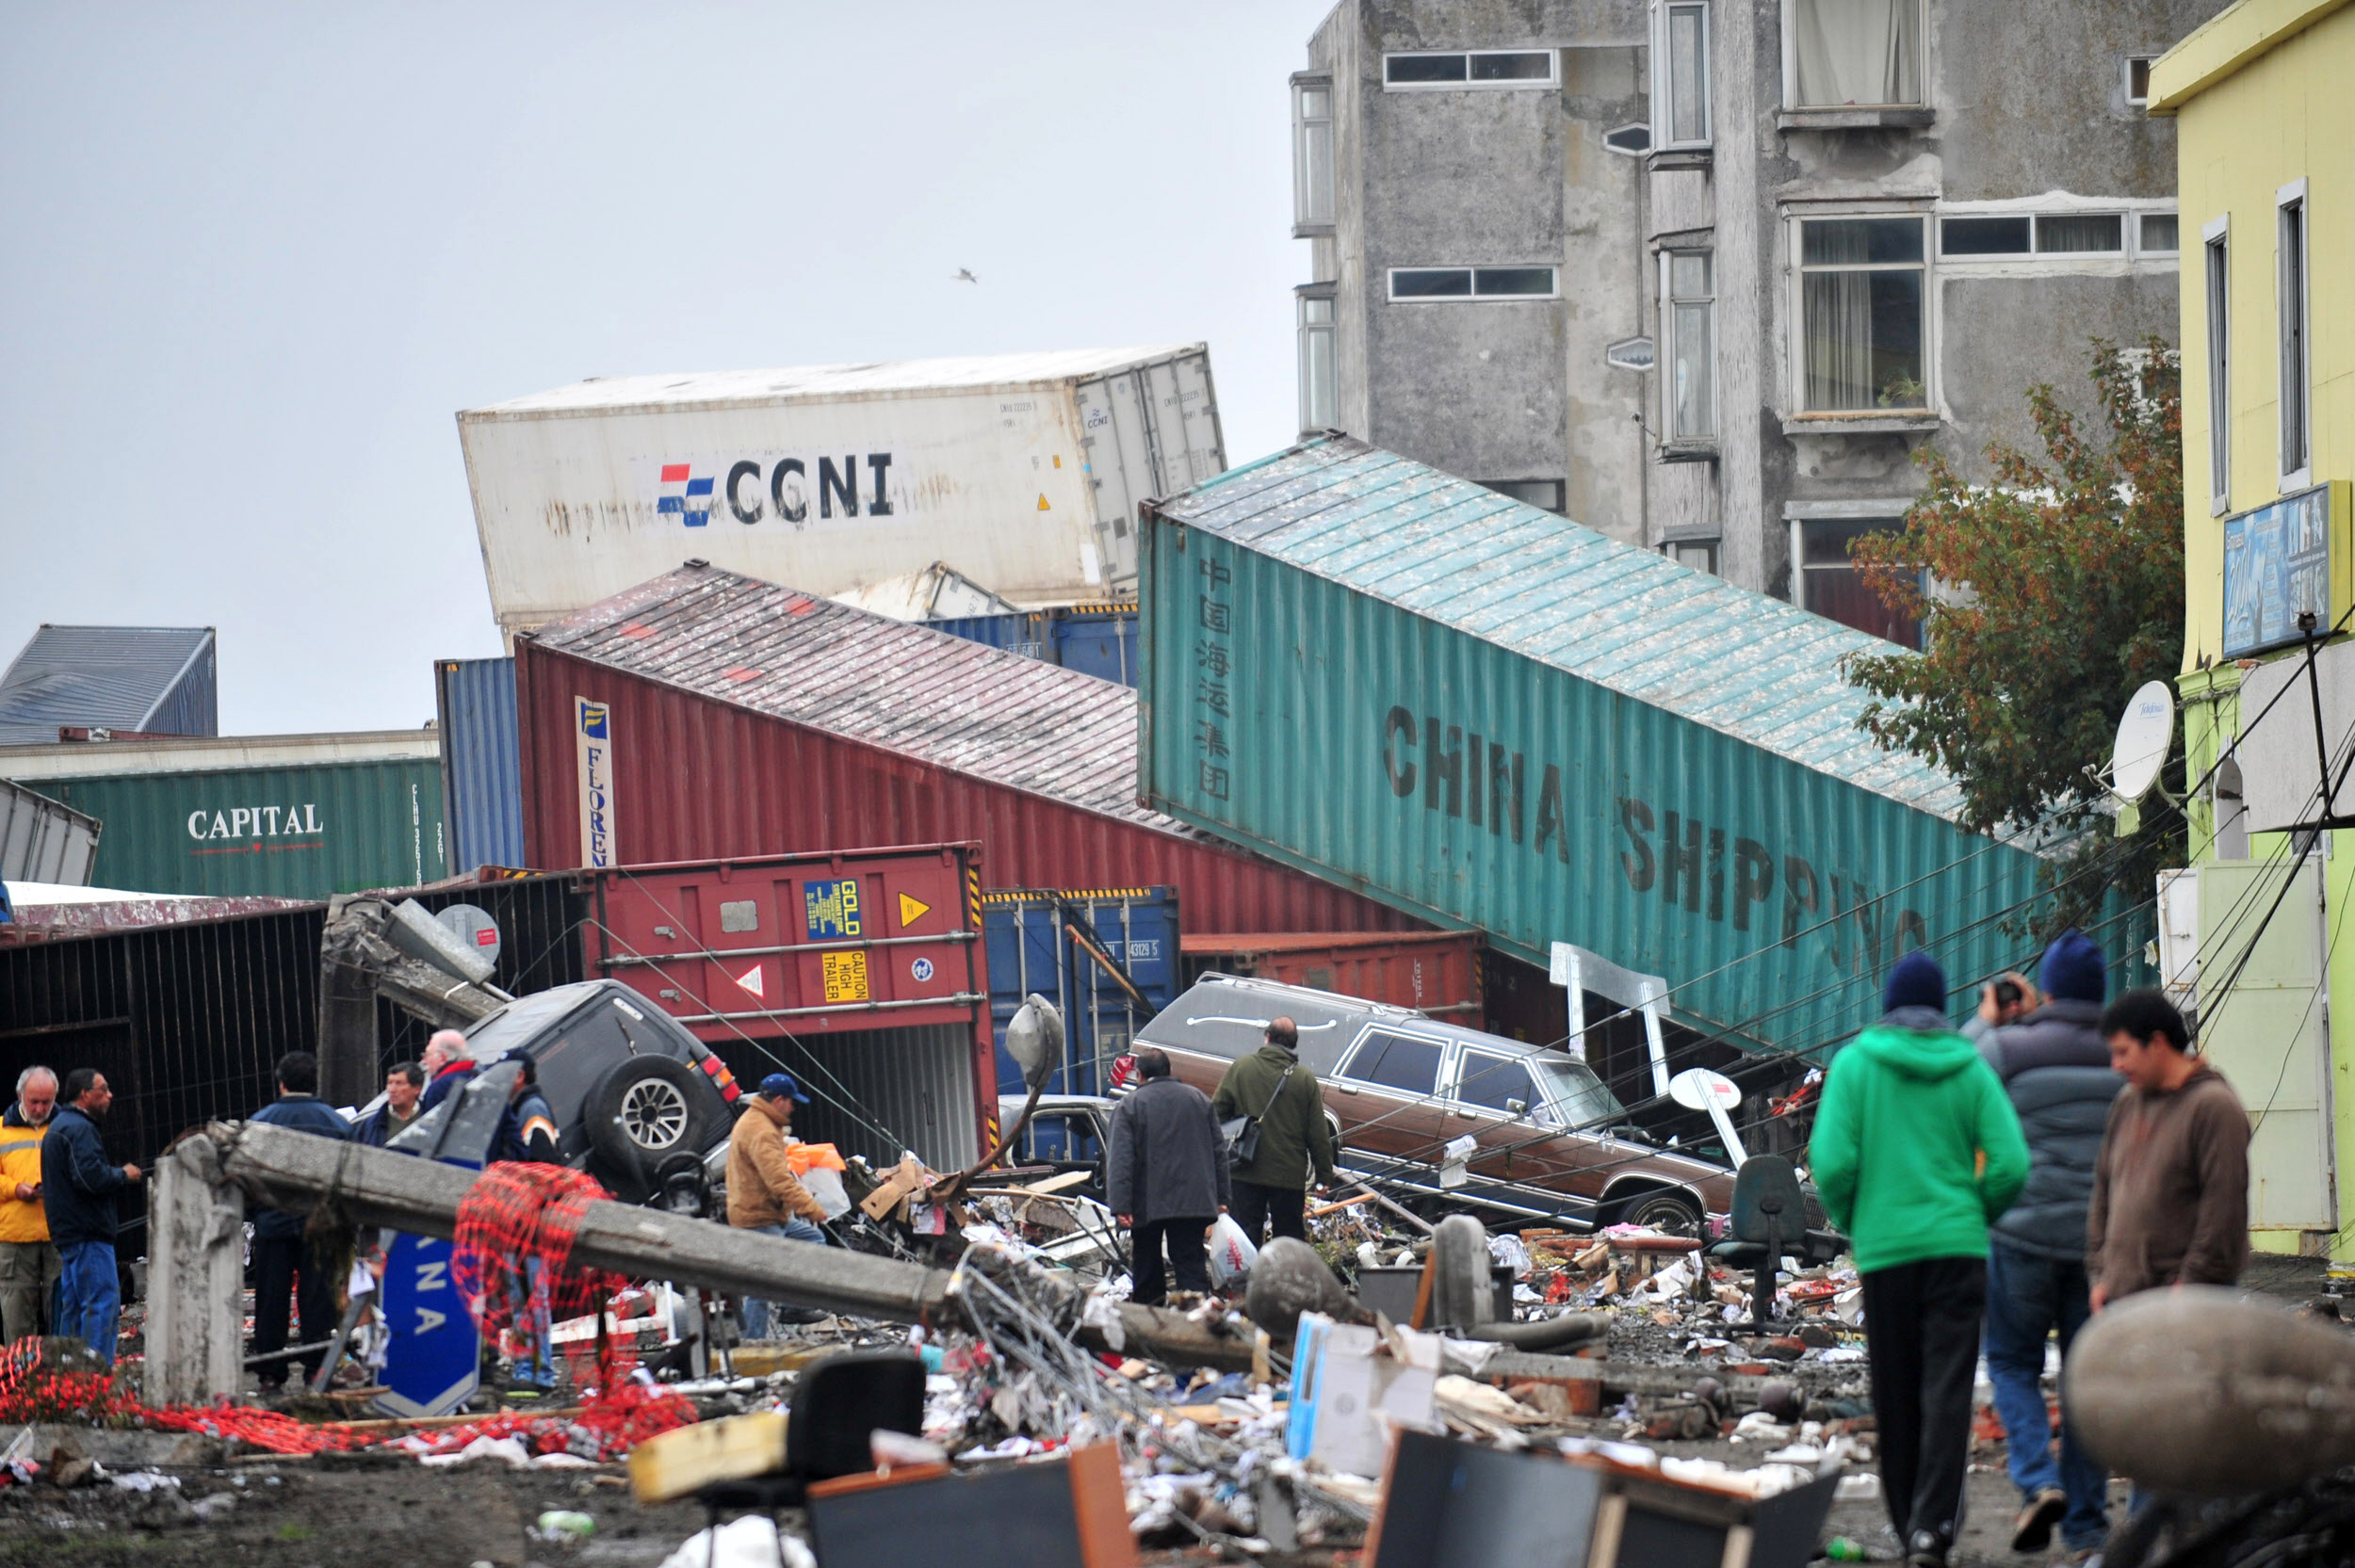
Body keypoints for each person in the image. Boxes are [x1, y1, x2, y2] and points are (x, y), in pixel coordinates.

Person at [1810, 951, 2029, 1568]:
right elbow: (2011, 1162)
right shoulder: (1970, 1066)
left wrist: (1860, 1219)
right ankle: (1933, 1528)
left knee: (1897, 1390)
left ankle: (1911, 1527)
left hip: (1886, 1253)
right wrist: (1973, 1211)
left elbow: (1832, 1163)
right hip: (1957, 1249)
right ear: (1940, 1006)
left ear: (1888, 1004)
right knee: (1947, 1389)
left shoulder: (1855, 1065)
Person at [1969, 930, 2124, 1559]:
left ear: (2048, 987)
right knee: (2087, 1379)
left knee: (2011, 1362)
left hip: (2021, 1236)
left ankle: (2037, 1481)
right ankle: (2088, 1529)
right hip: (2099, 1247)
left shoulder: (2010, 1047)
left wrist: (1992, 1017)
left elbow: (1958, 1067)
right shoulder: (2125, 1050)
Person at [2088, 989, 2250, 1312]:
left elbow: (2224, 1209)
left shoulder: (2213, 1106)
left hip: (2186, 1306)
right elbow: (2104, 1192)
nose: (2116, 1065)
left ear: (2158, 1043)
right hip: (2121, 1299)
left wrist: (2190, 1285)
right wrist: (2100, 1276)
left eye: (2123, 1052)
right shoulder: (2127, 1103)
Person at [248, 1051, 352, 1391]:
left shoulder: (260, 1122)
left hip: (272, 1227)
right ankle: (316, 1370)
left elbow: (247, 1178)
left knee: (271, 1299)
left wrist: (258, 1215)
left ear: (281, 1083)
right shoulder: (337, 1124)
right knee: (317, 1300)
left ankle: (269, 1370)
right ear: (314, 1081)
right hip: (321, 1229)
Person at [1106, 1048, 1228, 1305]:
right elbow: (1219, 1151)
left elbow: (1120, 1159)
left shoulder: (1130, 1105)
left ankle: (1153, 1326)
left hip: (1146, 1202)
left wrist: (1121, 1205)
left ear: (1139, 1075)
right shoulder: (1198, 1100)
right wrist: (1221, 1197)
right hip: (1192, 1201)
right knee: (1190, 1266)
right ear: (1168, 1071)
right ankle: (1196, 1324)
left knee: (1147, 1269)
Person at [41, 1069, 141, 1366]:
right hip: (88, 1234)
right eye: (104, 1089)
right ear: (85, 1094)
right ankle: (98, 1374)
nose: (110, 1095)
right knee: (101, 1305)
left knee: (74, 1307)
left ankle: (68, 1375)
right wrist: (123, 1174)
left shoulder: (59, 1127)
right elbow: (89, 1177)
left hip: (69, 1234)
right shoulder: (79, 1129)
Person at [1212, 1017, 1336, 1247]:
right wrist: (1323, 1177)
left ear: (1267, 1037)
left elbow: (1216, 1115)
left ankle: (1246, 1282)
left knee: (1244, 1238)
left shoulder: (1242, 1068)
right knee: (1288, 1240)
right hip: (1287, 1175)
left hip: (1244, 1170)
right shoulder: (1304, 1079)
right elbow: (1318, 1134)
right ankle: (1283, 1281)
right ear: (1294, 1044)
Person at [726, 1073, 829, 1338]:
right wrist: (811, 1207)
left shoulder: (760, 1121)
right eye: (791, 1102)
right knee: (762, 1284)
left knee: (813, 1240)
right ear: (779, 1100)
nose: (793, 1108)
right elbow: (778, 1180)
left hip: (768, 1212)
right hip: (757, 1217)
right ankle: (753, 1344)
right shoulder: (760, 1130)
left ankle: (793, 1306)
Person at [0, 1067, 61, 1344]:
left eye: (46, 1102)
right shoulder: (2, 1130)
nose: (40, 1108)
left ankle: (66, 1379)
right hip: (14, 1239)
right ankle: (20, 1382)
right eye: (34, 1101)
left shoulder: (65, 1127)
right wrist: (15, 1188)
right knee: (17, 1318)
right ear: (19, 1095)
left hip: (58, 1235)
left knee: (62, 1315)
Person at [350, 1061, 426, 1148]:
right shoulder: (369, 1125)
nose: (392, 1090)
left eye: (399, 1083)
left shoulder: (432, 1120)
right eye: (390, 1083)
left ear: (417, 1089)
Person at [418, 1030, 478, 1112]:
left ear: (443, 1058)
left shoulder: (438, 1088)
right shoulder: (478, 1072)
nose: (424, 1061)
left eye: (427, 1055)